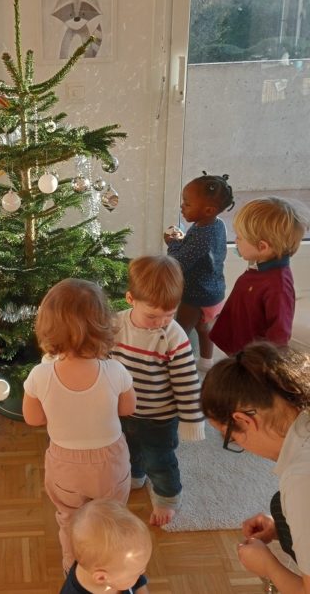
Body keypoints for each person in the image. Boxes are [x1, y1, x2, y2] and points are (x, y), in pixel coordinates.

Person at [23, 279, 136, 573]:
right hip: (110, 462)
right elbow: (128, 409)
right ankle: (113, 566)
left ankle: (74, 568)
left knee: (71, 519)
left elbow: (33, 419)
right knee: (111, 519)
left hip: (66, 465)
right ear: (104, 325)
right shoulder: (116, 371)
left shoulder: (39, 376)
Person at [200, 342, 310, 594]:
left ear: (244, 421)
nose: (239, 445)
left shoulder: (301, 479)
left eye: (230, 438)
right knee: (278, 506)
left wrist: (269, 567)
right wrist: (283, 527)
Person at [112, 255, 205, 527]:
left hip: (159, 417)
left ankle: (168, 497)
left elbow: (187, 383)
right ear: (130, 299)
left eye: (170, 314)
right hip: (122, 411)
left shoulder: (174, 337)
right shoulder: (116, 325)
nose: (162, 321)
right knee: (128, 449)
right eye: (152, 315)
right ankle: (135, 475)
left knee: (160, 459)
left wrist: (192, 421)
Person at [210, 197, 310, 355]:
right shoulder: (260, 266)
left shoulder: (278, 286)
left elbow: (280, 333)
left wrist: (265, 363)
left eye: (240, 238)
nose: (236, 241)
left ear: (262, 247)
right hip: (240, 341)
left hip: (252, 356)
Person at [165, 171, 235, 373]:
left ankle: (177, 368)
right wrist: (184, 241)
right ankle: (206, 362)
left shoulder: (201, 235)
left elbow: (178, 263)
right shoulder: (217, 224)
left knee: (181, 331)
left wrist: (173, 243)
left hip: (196, 293)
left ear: (208, 209)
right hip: (215, 290)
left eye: (187, 204)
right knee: (205, 328)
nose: (182, 207)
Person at [60, 499, 152, 594]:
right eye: (137, 573)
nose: (142, 572)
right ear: (101, 577)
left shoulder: (111, 566)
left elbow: (138, 582)